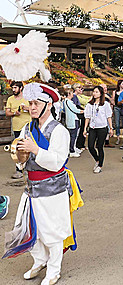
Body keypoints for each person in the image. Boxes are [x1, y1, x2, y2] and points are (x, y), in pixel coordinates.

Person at [9, 82, 83, 285]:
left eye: (36, 103)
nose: (31, 107)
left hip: (53, 188)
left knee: (52, 231)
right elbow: (24, 158)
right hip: (31, 187)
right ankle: (40, 261)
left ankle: (54, 269)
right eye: (30, 103)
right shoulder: (27, 127)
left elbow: (58, 161)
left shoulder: (60, 131)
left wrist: (35, 150)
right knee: (27, 228)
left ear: (48, 104)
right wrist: (21, 157)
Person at [83, 86, 114, 173]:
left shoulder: (105, 104)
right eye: (94, 92)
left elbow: (109, 116)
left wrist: (111, 128)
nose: (94, 93)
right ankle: (97, 160)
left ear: (101, 93)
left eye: (96, 92)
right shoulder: (90, 104)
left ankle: (100, 165)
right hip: (92, 127)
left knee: (99, 146)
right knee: (90, 146)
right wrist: (85, 128)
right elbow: (87, 117)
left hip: (102, 127)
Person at [5, 81, 30, 179]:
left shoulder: (27, 98)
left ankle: (29, 169)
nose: (13, 90)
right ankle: (19, 170)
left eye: (15, 88)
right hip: (16, 128)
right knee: (17, 148)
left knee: (29, 147)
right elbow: (7, 113)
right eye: (12, 88)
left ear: (21, 88)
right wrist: (14, 113)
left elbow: (34, 109)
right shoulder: (10, 99)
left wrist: (27, 108)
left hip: (28, 126)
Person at [63, 85, 84, 158]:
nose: (72, 95)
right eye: (71, 93)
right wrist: (84, 111)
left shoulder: (66, 101)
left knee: (73, 135)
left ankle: (73, 148)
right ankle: (71, 150)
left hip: (71, 120)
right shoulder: (68, 102)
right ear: (69, 94)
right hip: (73, 120)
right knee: (73, 136)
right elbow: (75, 110)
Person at [74, 83, 91, 152]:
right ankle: (79, 145)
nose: (81, 90)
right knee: (81, 130)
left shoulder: (81, 96)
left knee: (84, 129)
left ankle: (82, 144)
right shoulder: (75, 97)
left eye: (82, 88)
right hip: (80, 114)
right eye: (80, 88)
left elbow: (88, 99)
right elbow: (86, 101)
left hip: (84, 114)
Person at [112, 80, 123, 145]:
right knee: (117, 123)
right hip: (117, 108)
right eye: (122, 84)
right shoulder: (115, 92)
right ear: (119, 84)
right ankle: (118, 137)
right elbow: (113, 100)